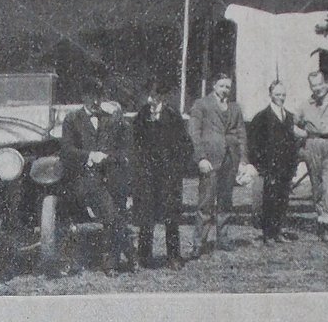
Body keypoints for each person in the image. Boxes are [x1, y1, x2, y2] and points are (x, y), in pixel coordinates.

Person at [59, 78, 133, 275]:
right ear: (84, 97)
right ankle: (110, 263)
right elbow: (66, 150)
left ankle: (114, 259)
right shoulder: (72, 119)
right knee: (111, 215)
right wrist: (89, 155)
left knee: (116, 214)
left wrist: (108, 156)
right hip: (83, 179)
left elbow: (121, 148)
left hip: (108, 176)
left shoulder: (109, 120)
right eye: (91, 96)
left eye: (98, 96)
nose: (95, 101)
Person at [187, 73, 250, 256]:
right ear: (214, 86)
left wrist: (243, 159)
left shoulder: (234, 108)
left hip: (230, 159)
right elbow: (194, 132)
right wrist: (201, 158)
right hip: (210, 160)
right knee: (205, 202)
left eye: (228, 87)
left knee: (225, 201)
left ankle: (223, 238)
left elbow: (241, 134)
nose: (225, 90)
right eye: (222, 86)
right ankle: (199, 242)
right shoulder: (201, 105)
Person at [130, 82, 191, 269]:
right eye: (149, 96)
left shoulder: (173, 116)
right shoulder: (141, 116)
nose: (151, 100)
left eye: (155, 96)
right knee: (146, 215)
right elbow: (134, 144)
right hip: (147, 174)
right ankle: (144, 256)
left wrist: (176, 168)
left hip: (168, 176)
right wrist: (139, 168)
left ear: (162, 98)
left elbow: (186, 146)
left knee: (170, 215)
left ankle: (173, 256)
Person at [247, 81, 301, 244]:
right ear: (270, 94)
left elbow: (293, 143)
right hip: (269, 166)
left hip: (286, 166)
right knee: (268, 199)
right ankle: (267, 233)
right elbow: (254, 144)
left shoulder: (290, 117)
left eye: (283, 95)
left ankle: (277, 231)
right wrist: (260, 166)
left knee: (282, 199)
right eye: (277, 94)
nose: (281, 98)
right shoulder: (262, 117)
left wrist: (293, 165)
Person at [293, 71, 328, 243]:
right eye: (313, 85)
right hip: (312, 144)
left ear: (327, 83)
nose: (317, 88)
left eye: (320, 84)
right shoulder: (305, 105)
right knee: (317, 185)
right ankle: (320, 218)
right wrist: (302, 133)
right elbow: (291, 123)